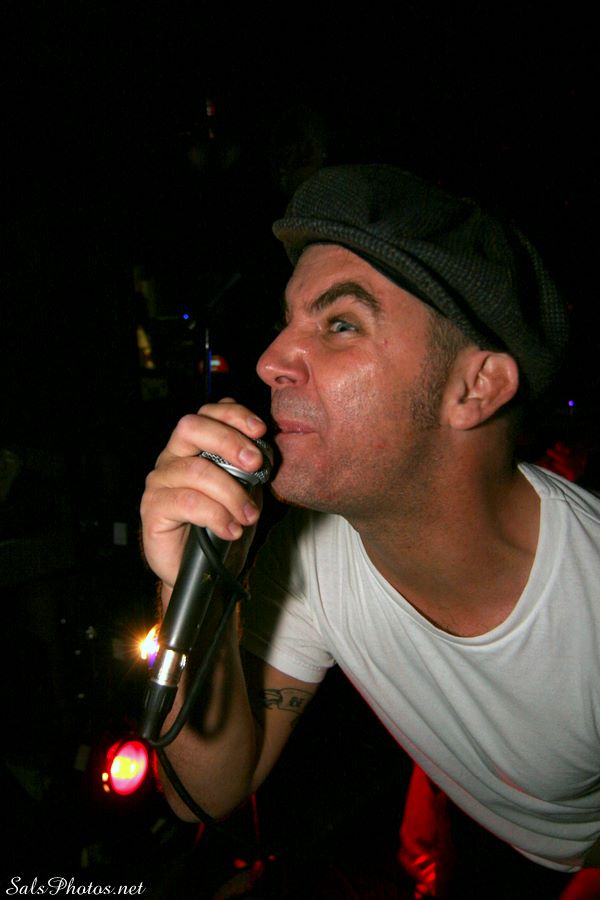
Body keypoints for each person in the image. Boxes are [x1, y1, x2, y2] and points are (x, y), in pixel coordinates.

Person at [140, 165, 600, 898]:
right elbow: (203, 793)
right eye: (289, 320)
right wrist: (190, 585)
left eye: (341, 324)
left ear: (475, 386)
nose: (269, 360)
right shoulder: (312, 557)